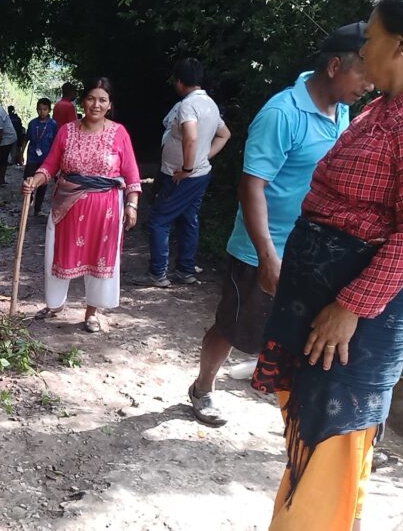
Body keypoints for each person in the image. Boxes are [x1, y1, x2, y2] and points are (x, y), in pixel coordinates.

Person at [251, 0, 403, 530]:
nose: (364, 52)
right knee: (309, 454)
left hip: (354, 329)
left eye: (375, 39)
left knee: (330, 458)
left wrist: (352, 306)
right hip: (319, 312)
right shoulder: (380, 109)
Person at [189, 23, 372, 427]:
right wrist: (268, 255)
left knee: (308, 336)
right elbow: (251, 186)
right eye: (364, 72)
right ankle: (203, 387)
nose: (371, 83)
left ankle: (300, 416)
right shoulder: (282, 113)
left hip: (314, 252)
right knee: (234, 328)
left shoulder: (343, 111)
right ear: (335, 66)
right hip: (262, 249)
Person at [21, 77, 142, 333]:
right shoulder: (67, 131)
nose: (95, 105)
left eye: (102, 100)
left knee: (99, 259)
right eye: (90, 98)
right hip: (67, 205)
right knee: (57, 255)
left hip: (106, 211)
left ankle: (92, 311)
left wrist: (132, 204)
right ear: (82, 101)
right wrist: (36, 180)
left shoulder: (119, 133)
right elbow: (51, 165)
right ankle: (55, 304)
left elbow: (131, 174)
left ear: (109, 105)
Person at [135, 58, 232, 287]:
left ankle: (158, 273)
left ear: (179, 81)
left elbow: (191, 135)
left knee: (159, 221)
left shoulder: (187, 105)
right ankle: (185, 269)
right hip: (200, 174)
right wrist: (203, 157)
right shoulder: (210, 104)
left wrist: (188, 167)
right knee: (189, 220)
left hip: (181, 176)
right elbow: (225, 134)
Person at [21, 98, 59, 217]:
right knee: (28, 181)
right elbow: (26, 139)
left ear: (49, 110)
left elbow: (56, 143)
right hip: (32, 157)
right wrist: (21, 153)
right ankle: (27, 203)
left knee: (42, 184)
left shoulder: (53, 125)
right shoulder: (32, 123)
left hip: (46, 160)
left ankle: (38, 208)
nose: (42, 112)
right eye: (39, 109)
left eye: (44, 109)